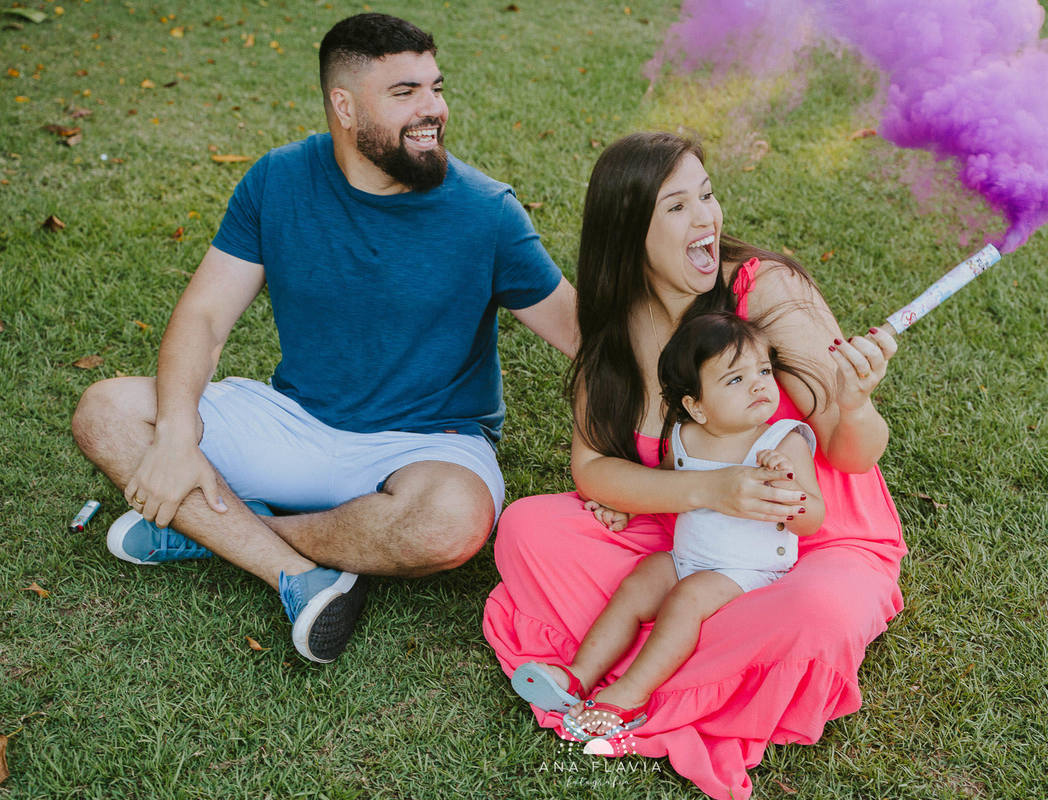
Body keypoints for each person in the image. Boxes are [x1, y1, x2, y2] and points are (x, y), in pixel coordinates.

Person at [71, 13, 576, 664]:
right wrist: (173, 437)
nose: (434, 111)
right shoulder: (278, 180)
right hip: (296, 422)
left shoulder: (486, 212)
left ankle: (209, 535)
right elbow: (203, 316)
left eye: (436, 87)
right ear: (344, 105)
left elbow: (583, 334)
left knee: (450, 525)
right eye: (405, 94)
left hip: (428, 443)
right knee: (106, 411)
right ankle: (297, 569)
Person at [483, 132, 904, 799]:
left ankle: (637, 689)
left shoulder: (764, 290)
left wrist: (852, 405)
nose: (707, 217)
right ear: (631, 232)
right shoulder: (617, 320)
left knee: (820, 614)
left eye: (706, 194)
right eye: (678, 207)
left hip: (812, 540)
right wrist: (711, 489)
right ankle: (691, 656)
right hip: (690, 533)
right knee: (529, 529)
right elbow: (592, 466)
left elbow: (852, 453)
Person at [511, 311, 827, 740]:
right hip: (689, 557)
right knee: (640, 583)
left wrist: (785, 486)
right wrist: (628, 508)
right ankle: (577, 675)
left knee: (687, 598)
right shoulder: (684, 436)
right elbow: (669, 483)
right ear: (696, 406)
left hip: (749, 570)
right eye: (735, 379)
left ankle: (629, 695)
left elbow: (813, 517)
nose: (758, 384)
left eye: (763, 370)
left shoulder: (782, 440)